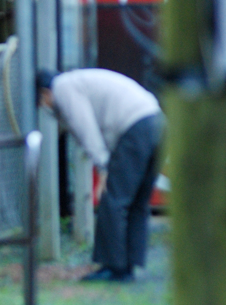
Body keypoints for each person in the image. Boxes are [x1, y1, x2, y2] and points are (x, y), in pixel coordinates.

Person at [37, 68, 163, 282]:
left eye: (41, 102)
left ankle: (113, 267)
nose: (44, 107)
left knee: (113, 201)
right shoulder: (76, 81)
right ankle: (129, 264)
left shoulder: (63, 88)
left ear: (44, 93)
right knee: (137, 201)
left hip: (135, 127)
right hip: (158, 122)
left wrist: (104, 169)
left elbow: (87, 131)